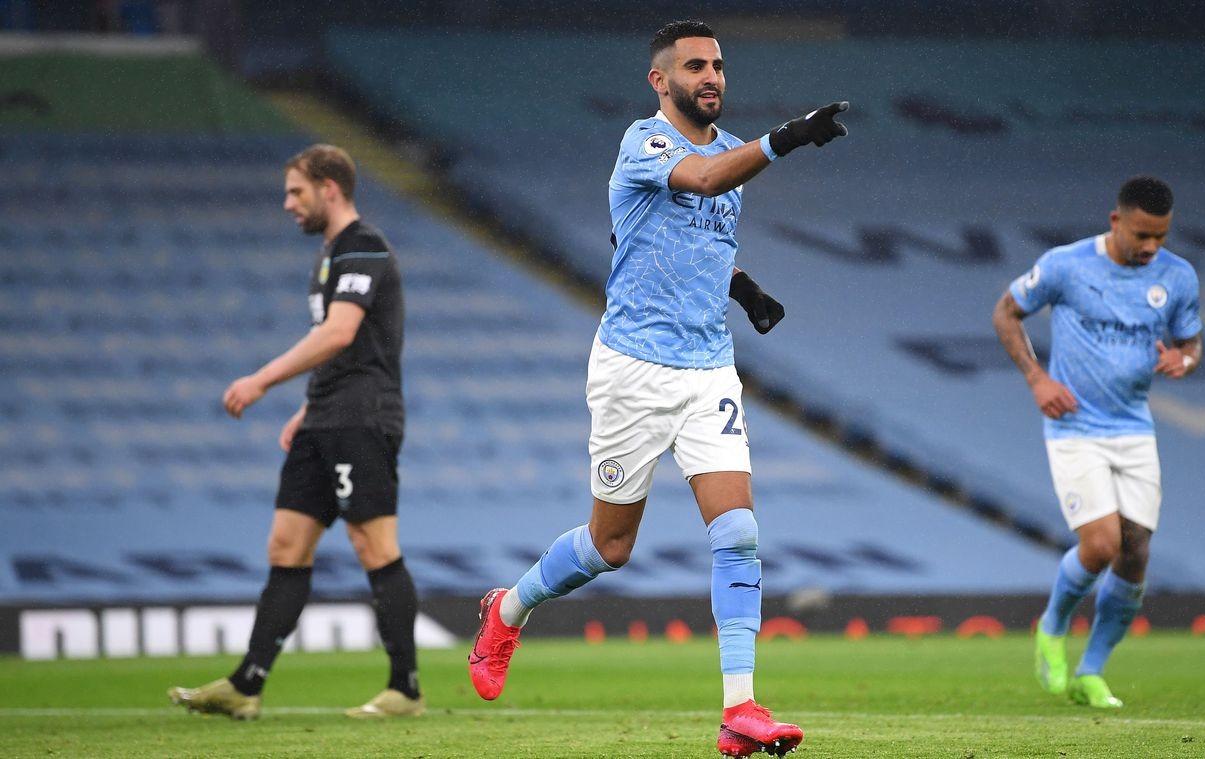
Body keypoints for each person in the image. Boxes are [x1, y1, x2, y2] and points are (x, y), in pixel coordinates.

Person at [466, 19, 847, 758]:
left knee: (738, 532)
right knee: (611, 545)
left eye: (719, 65)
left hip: (708, 369)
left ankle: (740, 710)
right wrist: (788, 138)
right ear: (659, 79)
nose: (712, 76)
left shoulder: (727, 154)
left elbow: (694, 240)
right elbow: (700, 181)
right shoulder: (644, 143)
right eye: (696, 65)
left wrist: (746, 290)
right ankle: (506, 609)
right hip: (632, 370)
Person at [169, 144, 422, 720]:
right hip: (325, 416)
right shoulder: (331, 255)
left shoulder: (364, 246)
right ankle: (246, 685)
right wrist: (309, 410)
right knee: (286, 545)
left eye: (296, 192)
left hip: (364, 416)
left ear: (329, 187)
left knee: (373, 544)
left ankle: (405, 689)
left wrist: (261, 380)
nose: (288, 204)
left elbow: (339, 334)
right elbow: (342, 348)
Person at [992, 176, 1203, 709]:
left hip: (1134, 428)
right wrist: (1038, 379)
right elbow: (1006, 313)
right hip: (1076, 426)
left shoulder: (1177, 277)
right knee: (1103, 543)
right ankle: (1053, 624)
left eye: (1160, 237)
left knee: (1135, 554)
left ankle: (1092, 671)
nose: (1151, 247)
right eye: (1142, 235)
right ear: (1116, 221)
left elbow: (1190, 339)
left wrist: (1186, 359)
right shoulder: (1066, 265)